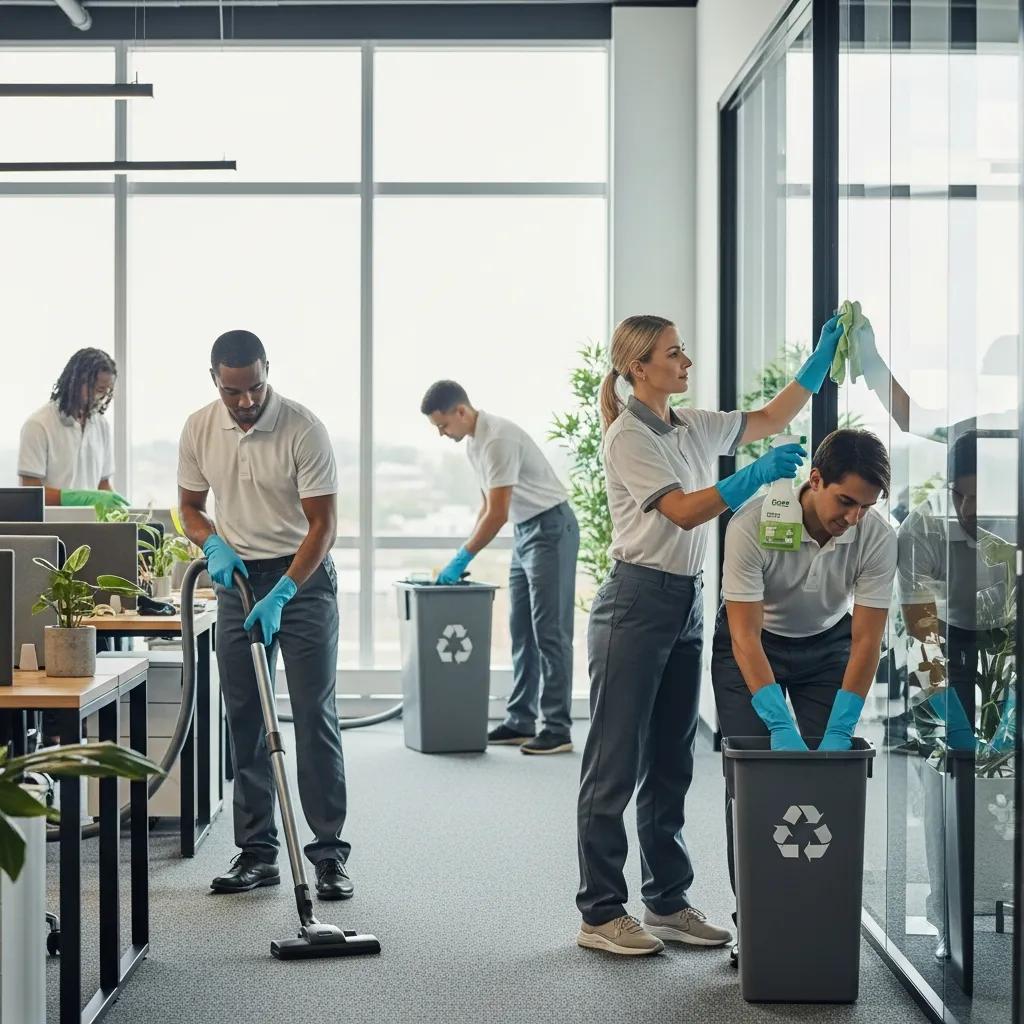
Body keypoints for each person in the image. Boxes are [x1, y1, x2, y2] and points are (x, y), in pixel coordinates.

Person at [576, 312, 844, 957]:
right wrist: (751, 476)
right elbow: (685, 511)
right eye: (674, 354)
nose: (686, 363)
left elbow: (770, 419)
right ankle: (600, 912)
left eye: (683, 352)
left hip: (685, 601)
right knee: (615, 762)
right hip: (636, 601)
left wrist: (820, 358)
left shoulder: (689, 424)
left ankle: (665, 900)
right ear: (639, 367)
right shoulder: (628, 439)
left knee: (671, 759)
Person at [711, 428, 897, 966]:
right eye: (845, 501)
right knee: (753, 782)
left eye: (866, 506)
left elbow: (866, 639)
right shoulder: (751, 525)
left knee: (824, 783)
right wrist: (775, 721)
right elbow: (745, 636)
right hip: (751, 644)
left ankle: (816, 913)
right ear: (814, 480)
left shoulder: (877, 536)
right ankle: (757, 921)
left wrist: (842, 725)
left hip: (827, 645)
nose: (854, 517)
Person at [178, 330, 352, 900]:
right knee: (246, 718)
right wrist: (211, 544)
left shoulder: (303, 428)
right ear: (215, 381)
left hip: (301, 578)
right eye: (233, 392)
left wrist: (283, 592)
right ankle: (257, 853)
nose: (246, 401)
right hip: (236, 581)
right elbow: (188, 507)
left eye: (253, 387)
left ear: (266, 370)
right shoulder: (200, 428)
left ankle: (328, 855)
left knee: (312, 715)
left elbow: (323, 526)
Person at [421, 381, 580, 755]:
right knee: (521, 628)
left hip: (551, 529)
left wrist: (463, 558)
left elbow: (497, 514)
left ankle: (557, 728)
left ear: (461, 411)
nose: (443, 435)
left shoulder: (496, 439)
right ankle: (521, 721)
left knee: (550, 632)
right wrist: (461, 554)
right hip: (526, 531)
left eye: (443, 425)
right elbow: (486, 508)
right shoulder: (474, 444)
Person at [18, 347, 128, 511]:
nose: (103, 397)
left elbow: (103, 484)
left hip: (90, 527)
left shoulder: (101, 425)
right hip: (52, 529)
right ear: (77, 382)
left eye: (107, 391)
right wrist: (72, 498)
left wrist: (120, 510)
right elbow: (29, 492)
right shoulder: (38, 425)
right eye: (99, 390)